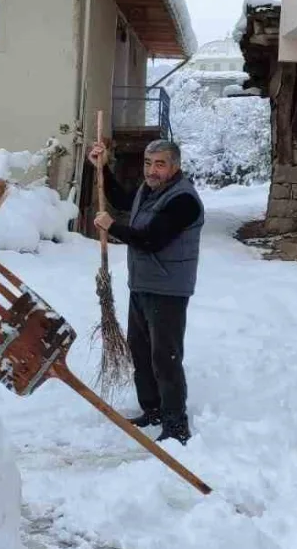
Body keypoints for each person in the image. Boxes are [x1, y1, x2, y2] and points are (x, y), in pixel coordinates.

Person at [89, 138, 204, 445]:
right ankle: (152, 409)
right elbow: (124, 201)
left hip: (168, 289)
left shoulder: (183, 200)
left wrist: (112, 227)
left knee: (164, 356)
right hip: (142, 284)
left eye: (160, 164)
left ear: (175, 166)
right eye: (147, 163)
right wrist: (103, 169)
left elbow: (152, 238)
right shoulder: (149, 190)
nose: (152, 171)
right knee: (140, 351)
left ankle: (176, 423)